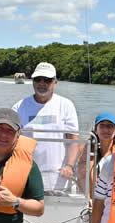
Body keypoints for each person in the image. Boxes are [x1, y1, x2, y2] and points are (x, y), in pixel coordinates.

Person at [12, 62, 79, 191]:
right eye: (38, 79)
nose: (41, 83)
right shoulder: (19, 107)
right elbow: (12, 142)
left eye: (47, 80)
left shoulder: (66, 105)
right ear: (32, 81)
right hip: (27, 176)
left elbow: (73, 141)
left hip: (59, 177)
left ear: (55, 83)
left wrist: (69, 166)